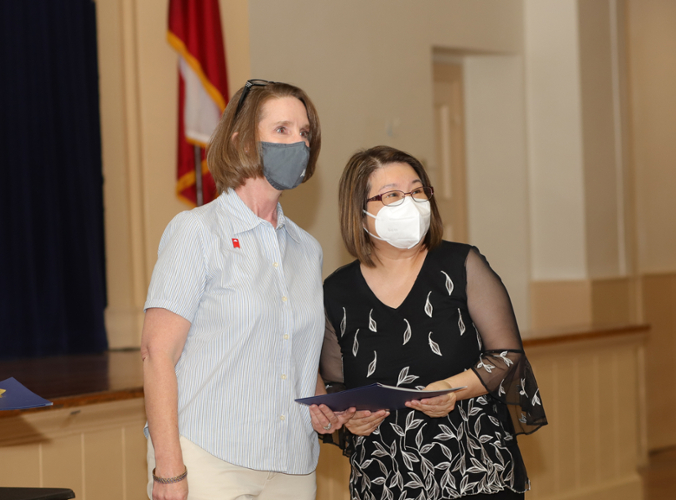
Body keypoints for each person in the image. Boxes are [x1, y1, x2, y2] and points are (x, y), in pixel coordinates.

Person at [141, 80, 340, 500]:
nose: (298, 143)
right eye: (282, 130)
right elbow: (157, 353)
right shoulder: (196, 231)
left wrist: (321, 402)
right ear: (242, 140)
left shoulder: (308, 249)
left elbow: (293, 350)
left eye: (305, 133)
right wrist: (169, 468)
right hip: (211, 459)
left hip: (292, 465)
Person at [314, 146, 547, 500]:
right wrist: (349, 417)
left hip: (473, 469)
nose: (410, 203)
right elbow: (335, 385)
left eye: (418, 191)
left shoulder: (461, 264)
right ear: (359, 214)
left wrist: (453, 389)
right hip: (384, 477)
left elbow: (506, 355)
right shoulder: (337, 290)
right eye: (392, 195)